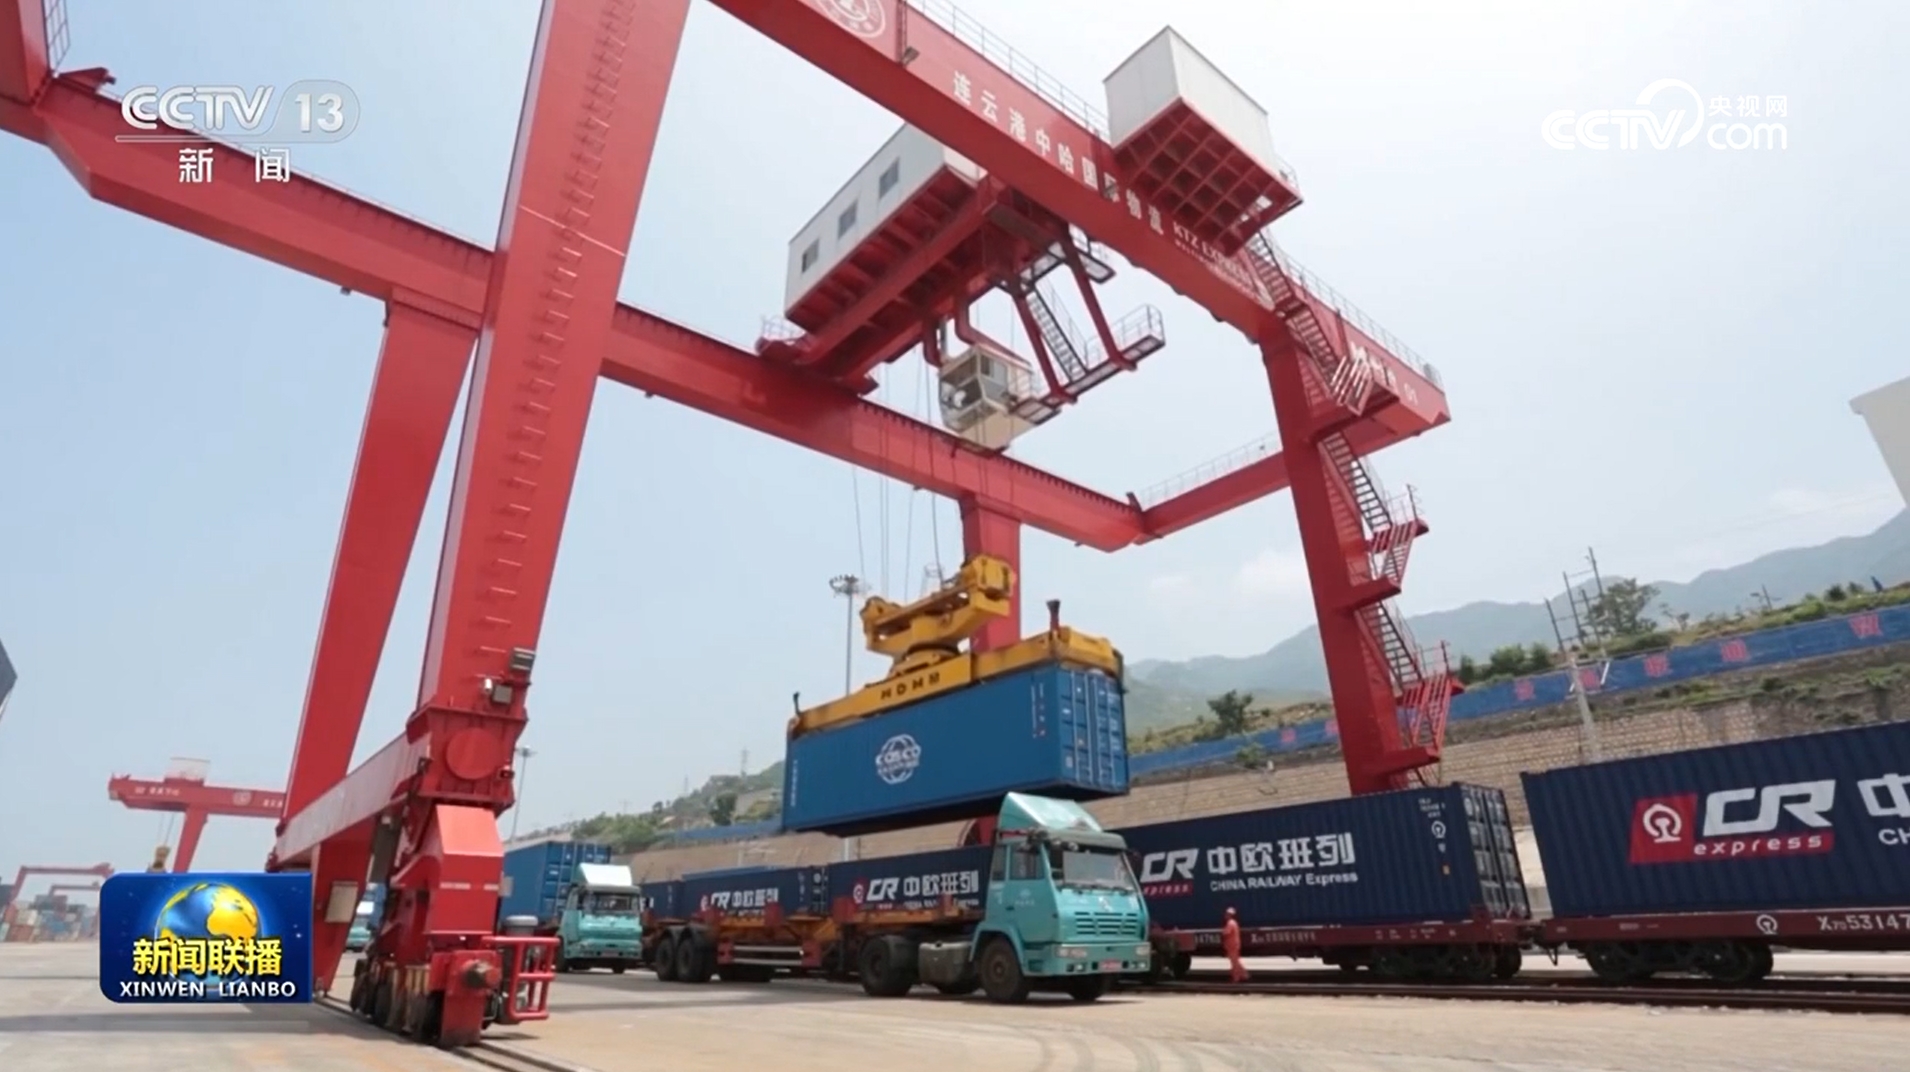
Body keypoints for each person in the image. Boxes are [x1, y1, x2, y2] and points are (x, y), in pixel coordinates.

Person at [1222, 906, 1248, 983]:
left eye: (1227, 914)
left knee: (1234, 962)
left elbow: (1226, 933)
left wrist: (1223, 932)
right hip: (1234, 944)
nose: (1225, 915)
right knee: (1236, 961)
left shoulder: (1230, 923)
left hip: (1232, 945)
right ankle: (1244, 975)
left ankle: (1236, 978)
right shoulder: (1234, 923)